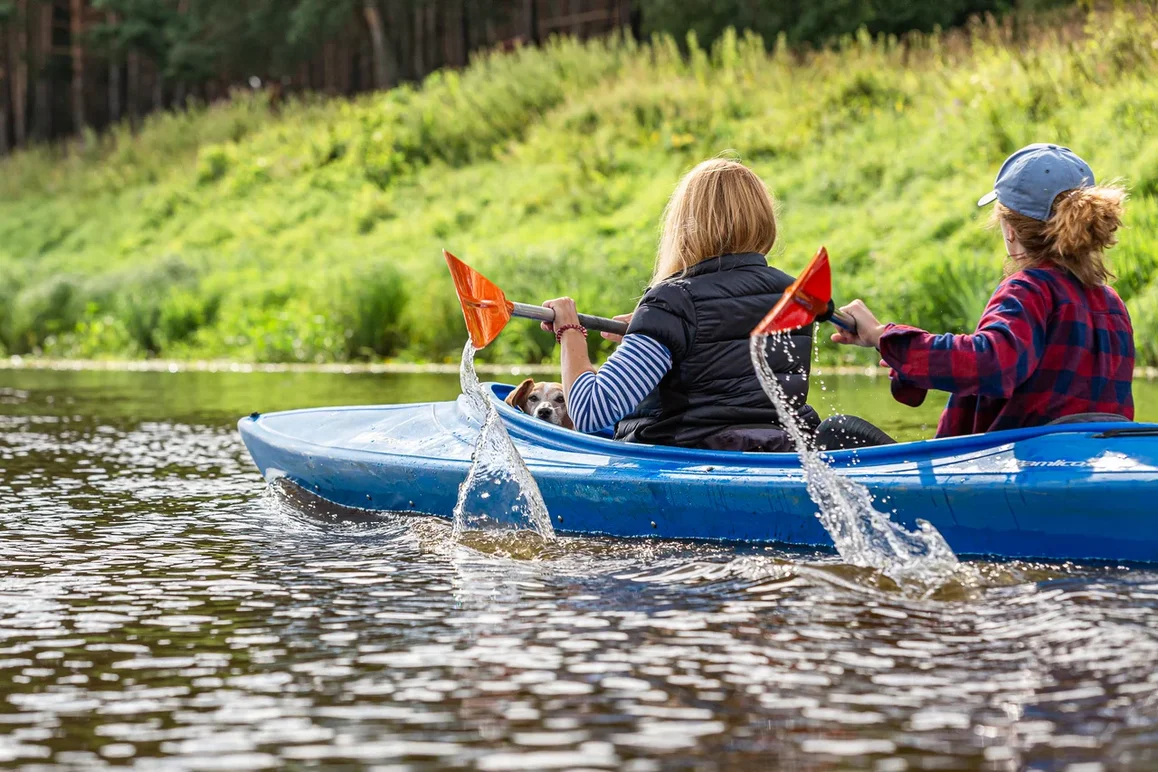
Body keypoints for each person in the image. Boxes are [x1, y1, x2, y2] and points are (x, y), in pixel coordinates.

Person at [826, 143, 1135, 444]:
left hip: (1012, 469)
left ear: (1010, 230)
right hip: (1096, 460)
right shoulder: (1111, 304)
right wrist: (905, 356)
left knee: (835, 432)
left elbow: (991, 363)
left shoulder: (1028, 289)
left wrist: (883, 336)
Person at [540, 158, 819, 451]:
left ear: (685, 225)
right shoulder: (794, 295)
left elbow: (590, 411)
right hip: (779, 453)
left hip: (688, 460)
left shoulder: (673, 301)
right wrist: (651, 331)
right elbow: (725, 358)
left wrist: (569, 330)